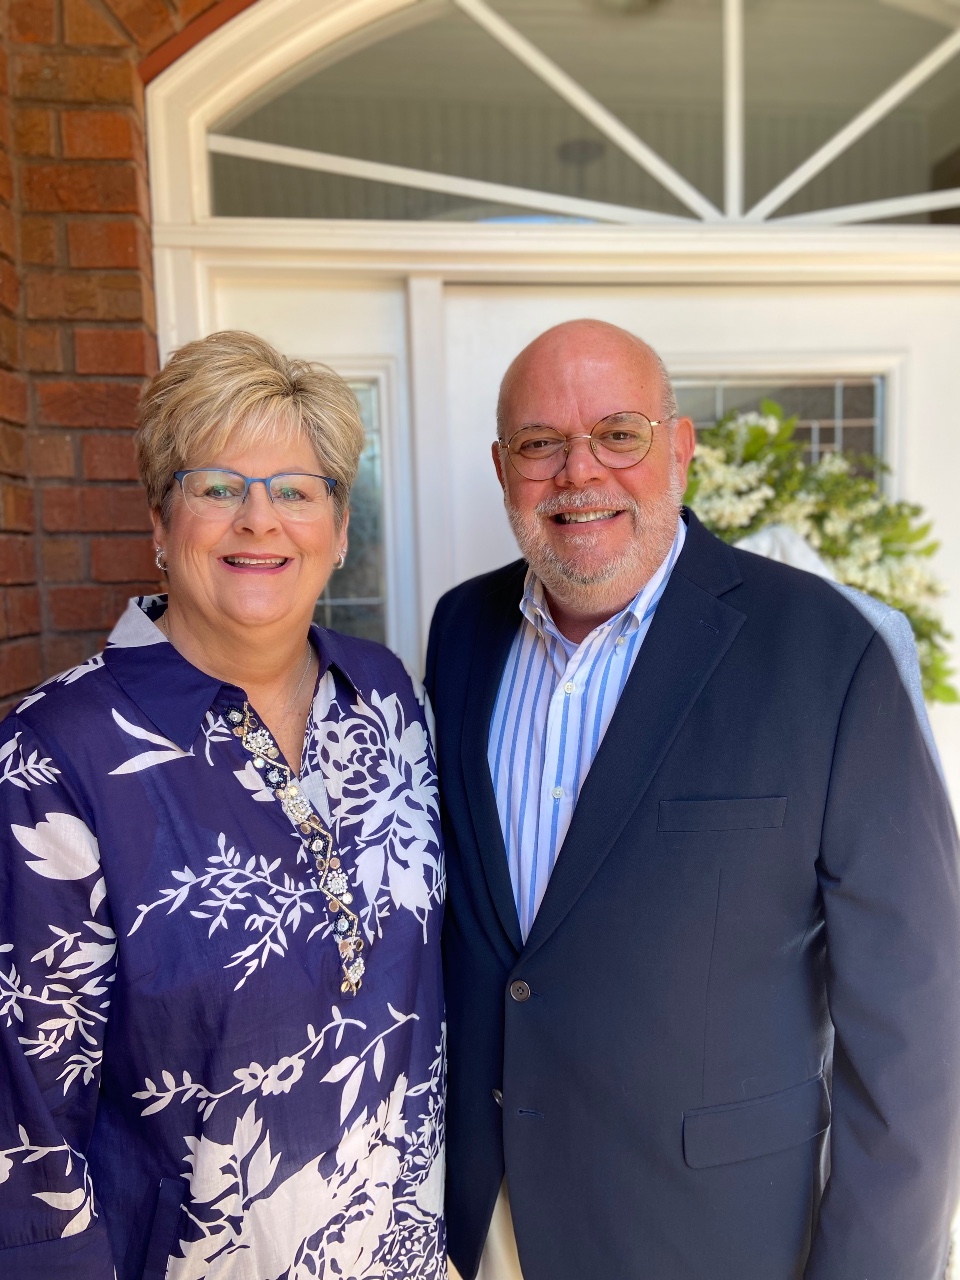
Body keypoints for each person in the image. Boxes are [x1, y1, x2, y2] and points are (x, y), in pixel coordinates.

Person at [427, 319, 960, 1280]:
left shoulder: (832, 654)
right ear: (504, 468)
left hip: (713, 1236)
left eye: (618, 433)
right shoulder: (460, 631)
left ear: (680, 447)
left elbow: (919, 1027)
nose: (578, 473)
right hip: (485, 1222)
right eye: (542, 444)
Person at [0, 331, 445, 1280]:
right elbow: (25, 1127)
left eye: (296, 489)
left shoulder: (386, 695)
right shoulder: (56, 756)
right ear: (161, 525)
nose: (260, 520)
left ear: (339, 527)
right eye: (217, 487)